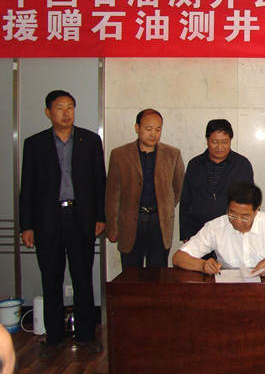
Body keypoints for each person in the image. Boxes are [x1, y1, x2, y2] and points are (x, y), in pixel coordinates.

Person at [19, 90, 106, 358]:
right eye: (60, 108)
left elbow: (99, 182)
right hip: (48, 220)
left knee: (82, 278)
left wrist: (100, 217)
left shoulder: (90, 140)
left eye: (70, 107)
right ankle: (54, 337)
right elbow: (27, 187)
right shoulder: (35, 144)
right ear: (48, 112)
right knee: (51, 279)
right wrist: (26, 226)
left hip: (80, 218)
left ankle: (86, 335)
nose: (66, 113)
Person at [106, 109, 185, 269]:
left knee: (157, 273)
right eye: (148, 129)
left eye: (158, 129)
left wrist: (165, 206)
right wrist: (112, 227)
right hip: (130, 221)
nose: (153, 134)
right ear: (137, 128)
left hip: (159, 222)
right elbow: (112, 194)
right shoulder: (119, 154)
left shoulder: (172, 154)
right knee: (130, 273)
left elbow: (178, 189)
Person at [173, 182, 265, 274]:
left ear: (257, 210)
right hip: (229, 289)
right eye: (232, 214)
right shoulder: (215, 227)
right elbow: (179, 258)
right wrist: (203, 265)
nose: (238, 221)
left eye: (245, 216)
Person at [179, 119, 253, 242]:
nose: (219, 147)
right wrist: (186, 235)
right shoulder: (195, 164)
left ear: (230, 141)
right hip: (199, 231)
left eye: (224, 142)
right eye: (215, 142)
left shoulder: (242, 164)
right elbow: (186, 201)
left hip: (232, 231)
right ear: (207, 140)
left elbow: (250, 202)